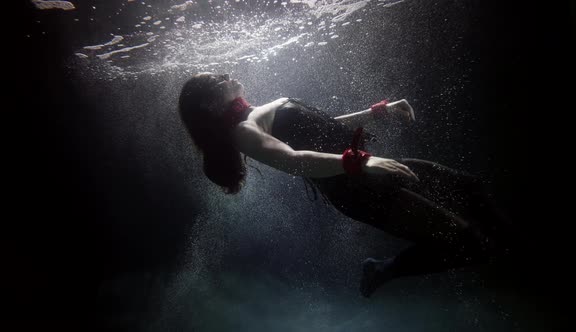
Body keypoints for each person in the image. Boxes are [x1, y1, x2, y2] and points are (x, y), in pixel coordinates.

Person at [178, 72, 512, 298]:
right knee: (469, 243)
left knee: (469, 186)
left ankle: (516, 248)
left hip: (368, 172)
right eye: (218, 79)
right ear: (210, 103)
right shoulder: (243, 132)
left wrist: (376, 112)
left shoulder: (262, 111)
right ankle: (382, 271)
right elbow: (293, 160)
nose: (228, 75)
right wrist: (361, 161)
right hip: (360, 190)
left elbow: (325, 127)